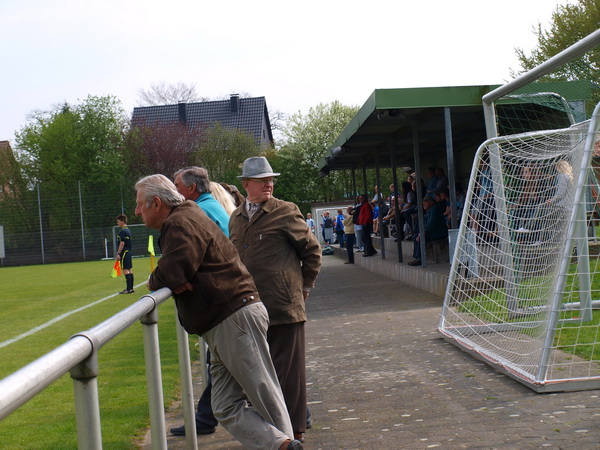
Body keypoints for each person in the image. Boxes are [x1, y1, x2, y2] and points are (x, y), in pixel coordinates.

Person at [136, 174, 302, 450]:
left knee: (264, 394)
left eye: (140, 204)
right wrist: (172, 277)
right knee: (224, 405)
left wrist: (157, 279)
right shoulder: (184, 216)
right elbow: (178, 271)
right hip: (224, 320)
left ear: (156, 203)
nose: (136, 211)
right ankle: (283, 445)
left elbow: (176, 270)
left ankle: (290, 445)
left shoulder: (179, 222)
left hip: (233, 318)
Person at [229, 156, 322, 444]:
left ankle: (294, 434)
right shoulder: (236, 217)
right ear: (246, 184)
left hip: (283, 306)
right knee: (259, 376)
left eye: (271, 179)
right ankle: (274, 433)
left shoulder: (285, 211)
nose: (269, 184)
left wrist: (304, 287)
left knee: (288, 375)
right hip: (248, 308)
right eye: (262, 180)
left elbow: (312, 251)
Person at [170, 170, 231, 437]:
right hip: (230, 296)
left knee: (232, 364)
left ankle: (287, 424)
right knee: (221, 363)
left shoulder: (198, 211)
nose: (174, 191)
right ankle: (205, 418)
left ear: (191, 187)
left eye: (177, 186)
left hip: (226, 300)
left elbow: (191, 253)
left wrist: (176, 276)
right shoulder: (210, 205)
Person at [173, 166, 230, 236]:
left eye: (177, 186)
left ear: (191, 188)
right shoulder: (213, 205)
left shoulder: (196, 211)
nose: (175, 190)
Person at [408, 196, 448, 266]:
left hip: (438, 232)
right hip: (431, 232)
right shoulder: (429, 211)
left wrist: (422, 233)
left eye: (425, 203)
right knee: (415, 236)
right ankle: (417, 257)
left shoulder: (435, 210)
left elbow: (431, 224)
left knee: (422, 237)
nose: (423, 205)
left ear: (430, 203)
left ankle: (420, 259)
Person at [115, 214, 134, 294]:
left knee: (126, 270)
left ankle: (128, 289)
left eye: (118, 221)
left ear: (123, 221)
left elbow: (122, 243)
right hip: (129, 252)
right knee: (129, 269)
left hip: (125, 252)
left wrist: (118, 253)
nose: (117, 223)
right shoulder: (128, 230)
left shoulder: (123, 231)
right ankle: (131, 288)